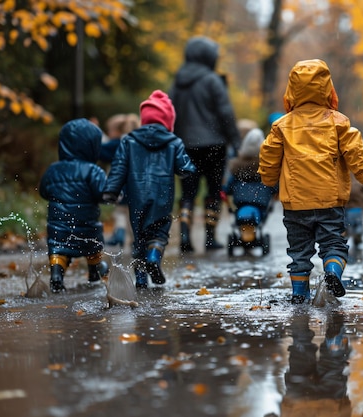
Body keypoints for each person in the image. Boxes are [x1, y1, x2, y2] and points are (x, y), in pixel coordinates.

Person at [258, 59, 363, 304]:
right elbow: (356, 153)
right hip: (329, 201)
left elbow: (269, 158)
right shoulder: (338, 122)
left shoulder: (282, 126)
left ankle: (298, 295)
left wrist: (269, 181)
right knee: (333, 244)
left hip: (295, 204)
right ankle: (332, 272)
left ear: (292, 90)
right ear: (327, 88)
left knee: (298, 252)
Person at [102, 90, 196, 289]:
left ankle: (142, 279)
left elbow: (119, 167)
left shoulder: (128, 140)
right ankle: (154, 256)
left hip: (136, 196)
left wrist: (111, 190)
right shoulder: (174, 142)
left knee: (139, 237)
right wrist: (188, 170)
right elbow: (185, 168)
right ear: (168, 120)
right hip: (163, 196)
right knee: (159, 232)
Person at [169, 36, 242, 253]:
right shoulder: (212, 80)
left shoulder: (178, 82)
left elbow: (171, 113)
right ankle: (210, 238)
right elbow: (225, 112)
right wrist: (236, 140)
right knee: (213, 191)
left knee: (188, 192)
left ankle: (184, 235)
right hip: (214, 145)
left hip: (185, 145)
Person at [39, 118, 108, 293]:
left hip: (58, 226)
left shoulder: (53, 170)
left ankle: (56, 274)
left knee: (58, 249)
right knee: (92, 248)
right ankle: (94, 272)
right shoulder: (94, 171)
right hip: (87, 226)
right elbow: (103, 194)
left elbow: (44, 191)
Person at [223, 127, 277, 242]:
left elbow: (228, 187)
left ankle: (241, 233)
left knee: (236, 212)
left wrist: (224, 191)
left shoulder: (237, 167)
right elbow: (274, 186)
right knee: (264, 212)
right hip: (261, 203)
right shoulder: (266, 168)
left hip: (240, 203)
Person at [99, 113, 139, 248]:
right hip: (135, 185)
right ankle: (135, 240)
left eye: (109, 130)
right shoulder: (132, 142)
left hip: (121, 184)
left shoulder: (116, 143)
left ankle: (120, 234)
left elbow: (101, 150)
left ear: (117, 130)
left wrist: (97, 132)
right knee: (131, 213)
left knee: (121, 211)